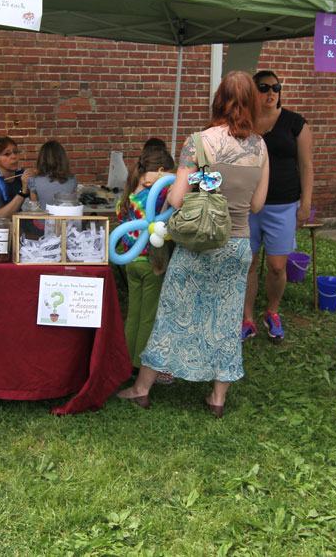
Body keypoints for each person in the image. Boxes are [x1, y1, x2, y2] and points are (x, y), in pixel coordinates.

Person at [116, 71, 269, 417]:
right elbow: (258, 204)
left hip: (199, 242)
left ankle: (142, 388)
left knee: (172, 314)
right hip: (238, 243)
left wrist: (176, 185)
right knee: (227, 319)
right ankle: (217, 399)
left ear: (219, 100)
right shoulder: (261, 147)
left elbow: (178, 198)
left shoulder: (198, 143)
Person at [241, 70, 314, 342]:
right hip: (248, 206)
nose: (271, 93)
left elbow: (306, 166)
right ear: (252, 91)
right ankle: (247, 318)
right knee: (247, 262)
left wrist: (305, 203)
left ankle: (272, 311)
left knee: (276, 266)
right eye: (263, 87)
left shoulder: (295, 123)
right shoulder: (244, 122)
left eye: (276, 87)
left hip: (283, 205)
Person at [115, 144, 176, 367]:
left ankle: (124, 360)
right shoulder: (158, 194)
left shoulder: (129, 194)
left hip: (130, 261)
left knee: (133, 314)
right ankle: (140, 364)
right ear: (160, 172)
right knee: (148, 316)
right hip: (151, 263)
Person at [0, 136, 33, 217]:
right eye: (7, 154)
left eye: (16, 152)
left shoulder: (22, 175)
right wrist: (22, 192)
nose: (14, 157)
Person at [29, 140, 78, 209]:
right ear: (63, 158)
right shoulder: (72, 179)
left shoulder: (33, 180)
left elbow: (34, 209)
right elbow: (73, 204)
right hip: (66, 218)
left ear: (41, 158)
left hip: (43, 219)